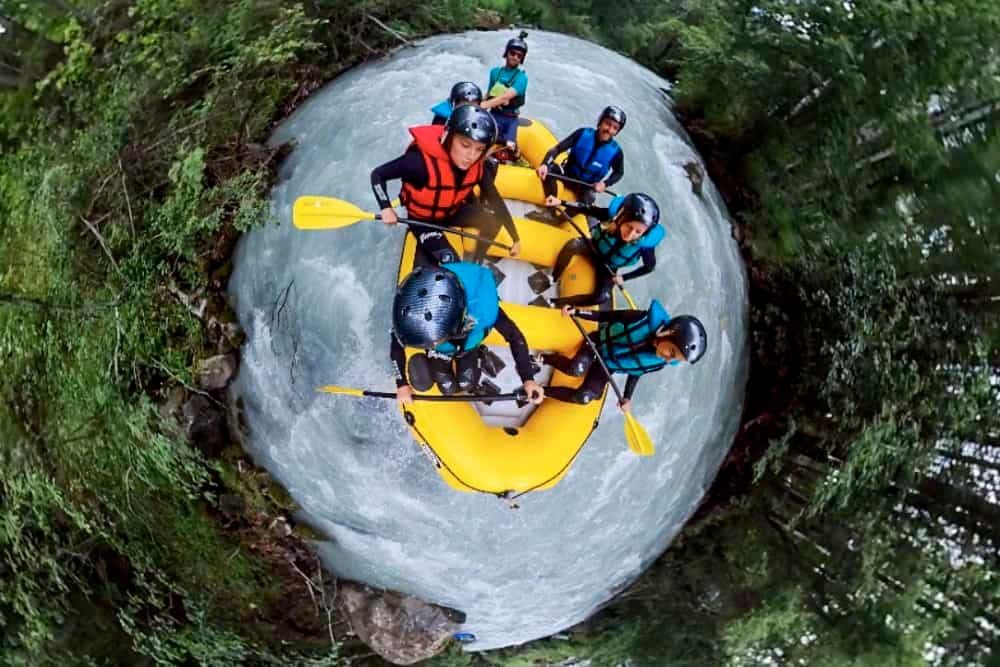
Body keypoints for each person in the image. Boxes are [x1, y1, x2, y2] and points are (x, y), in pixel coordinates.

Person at [371, 105, 522, 265]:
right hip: (424, 222)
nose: (471, 156)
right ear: (449, 137)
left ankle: (476, 260)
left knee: (492, 223)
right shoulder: (418, 163)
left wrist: (515, 238)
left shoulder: (477, 168)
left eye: (479, 149)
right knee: (450, 260)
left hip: (451, 212)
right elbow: (378, 175)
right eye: (465, 145)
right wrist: (386, 207)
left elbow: (495, 201)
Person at [391, 263, 544, 406]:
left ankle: (478, 354)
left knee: (467, 383)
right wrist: (402, 384)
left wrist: (528, 379)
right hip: (441, 353)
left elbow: (514, 336)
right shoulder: (410, 309)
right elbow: (397, 342)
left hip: (467, 348)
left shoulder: (483, 309)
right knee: (447, 388)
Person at [544, 301, 706, 412]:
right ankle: (543, 358)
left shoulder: (661, 362)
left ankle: (543, 391)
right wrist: (577, 311)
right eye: (671, 352)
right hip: (597, 343)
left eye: (675, 359)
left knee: (585, 397)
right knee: (576, 369)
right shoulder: (639, 319)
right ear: (667, 333)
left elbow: (636, 371)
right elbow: (605, 316)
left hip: (607, 365)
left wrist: (628, 397)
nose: (669, 359)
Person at [545, 192, 665, 307]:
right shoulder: (610, 216)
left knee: (601, 298)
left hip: (608, 267)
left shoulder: (645, 247)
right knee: (572, 245)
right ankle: (553, 278)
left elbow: (649, 267)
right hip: (593, 248)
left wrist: (624, 277)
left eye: (638, 232)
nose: (630, 234)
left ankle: (556, 302)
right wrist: (561, 202)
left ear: (645, 233)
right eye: (629, 226)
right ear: (621, 218)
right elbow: (587, 209)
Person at [537, 106, 626, 205]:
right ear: (600, 121)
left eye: (615, 128)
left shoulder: (616, 152)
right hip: (567, 175)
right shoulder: (582, 134)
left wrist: (605, 184)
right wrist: (544, 164)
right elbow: (557, 149)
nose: (609, 130)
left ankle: (562, 206)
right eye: (607, 124)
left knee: (590, 198)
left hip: (586, 187)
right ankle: (551, 200)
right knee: (549, 169)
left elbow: (619, 173)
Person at [479, 34, 529, 155]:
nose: (515, 57)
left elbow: (505, 97)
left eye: (519, 56)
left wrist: (482, 105)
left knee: (509, 148)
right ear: (506, 53)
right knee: (483, 141)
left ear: (521, 59)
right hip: (494, 114)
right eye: (512, 53)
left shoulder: (522, 78)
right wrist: (477, 103)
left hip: (510, 119)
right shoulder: (495, 72)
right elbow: (489, 93)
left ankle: (513, 148)